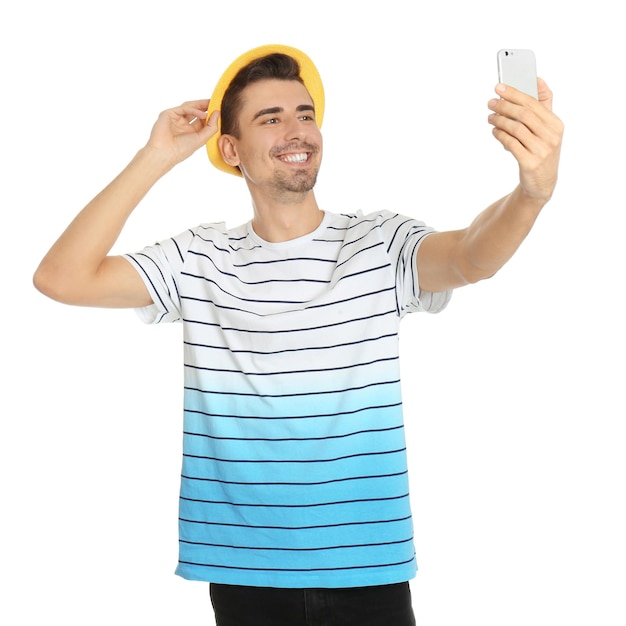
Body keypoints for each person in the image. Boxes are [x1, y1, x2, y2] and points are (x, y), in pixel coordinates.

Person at [33, 44, 563, 625]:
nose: (298, 130)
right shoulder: (199, 257)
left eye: (305, 113)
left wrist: (530, 193)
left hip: (370, 570)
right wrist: (155, 157)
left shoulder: (379, 242)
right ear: (229, 149)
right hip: (244, 576)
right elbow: (61, 278)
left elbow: (470, 256)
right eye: (271, 118)